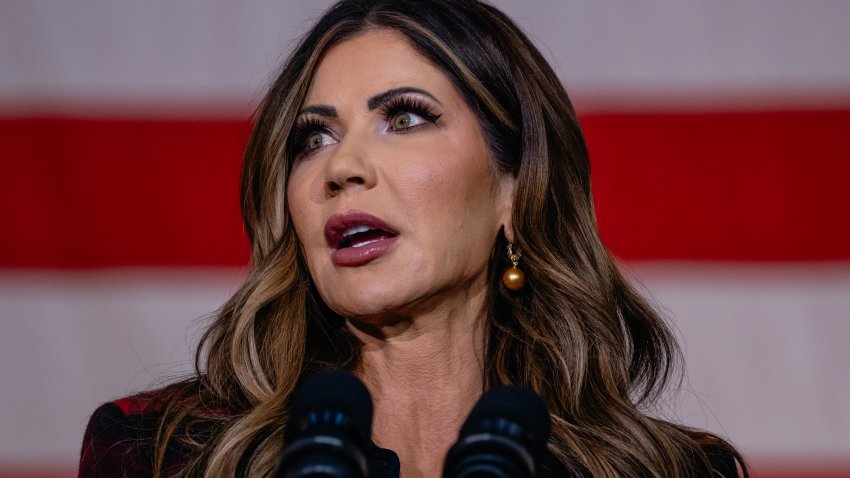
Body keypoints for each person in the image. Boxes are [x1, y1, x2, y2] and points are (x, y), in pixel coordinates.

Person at [78, 1, 747, 477]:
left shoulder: (672, 469)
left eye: (404, 117)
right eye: (314, 138)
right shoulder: (158, 454)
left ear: (515, 189)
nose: (342, 168)